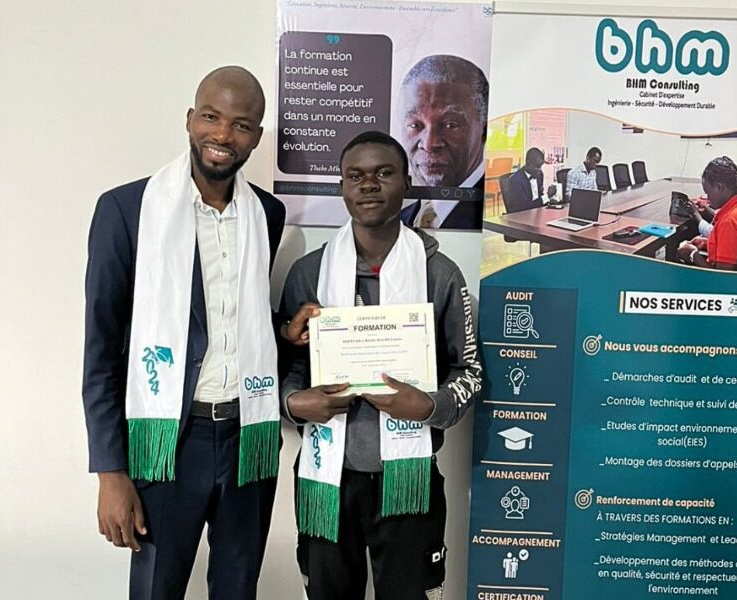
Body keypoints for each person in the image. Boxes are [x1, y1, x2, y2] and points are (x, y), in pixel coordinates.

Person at [82, 66, 309, 599]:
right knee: (156, 589)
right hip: (168, 442)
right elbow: (101, 348)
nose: (223, 135)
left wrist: (284, 332)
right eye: (211, 117)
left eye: (241, 125)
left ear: (256, 136)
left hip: (247, 437)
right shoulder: (127, 210)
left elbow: (238, 319)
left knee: (237, 589)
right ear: (189, 119)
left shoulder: (267, 213)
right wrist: (110, 471)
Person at [280, 130, 482, 599]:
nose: (368, 185)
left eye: (383, 173)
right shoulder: (309, 273)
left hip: (408, 480)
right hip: (327, 481)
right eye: (355, 176)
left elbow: (469, 372)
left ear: (407, 183)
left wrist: (429, 406)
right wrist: (292, 402)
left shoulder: (439, 274)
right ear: (341, 188)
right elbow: (285, 364)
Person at [397, 54, 489, 229]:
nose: (429, 144)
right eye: (415, 125)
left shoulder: (496, 222)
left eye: (450, 125)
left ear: (484, 130)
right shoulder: (399, 221)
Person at [677, 156, 737, 270]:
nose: (707, 198)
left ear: (719, 187)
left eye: (708, 192)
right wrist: (707, 243)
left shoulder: (730, 221)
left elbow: (722, 276)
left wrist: (692, 254)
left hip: (717, 280)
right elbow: (732, 244)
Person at [505, 148, 557, 213]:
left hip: (537, 213)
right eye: (537, 166)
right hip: (522, 215)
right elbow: (524, 207)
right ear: (528, 163)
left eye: (541, 166)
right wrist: (547, 196)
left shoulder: (540, 175)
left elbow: (539, 195)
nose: (539, 170)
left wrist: (548, 201)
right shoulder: (515, 180)